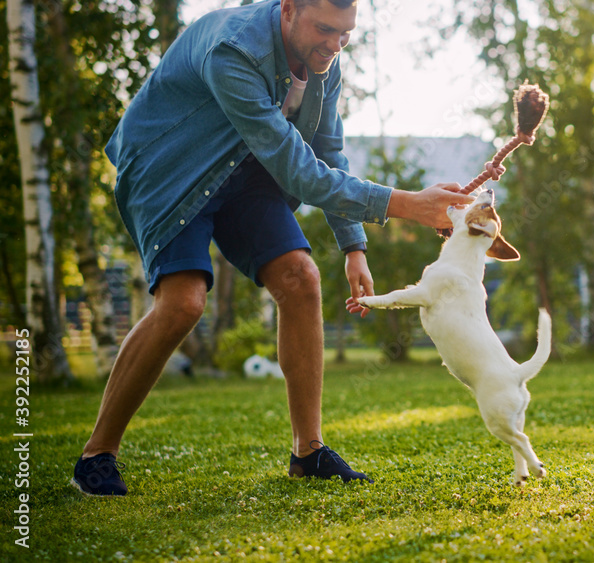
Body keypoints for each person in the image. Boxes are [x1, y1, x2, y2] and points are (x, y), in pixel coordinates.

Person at [71, 0, 474, 496]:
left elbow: (327, 151)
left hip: (246, 172)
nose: (335, 43)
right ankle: (96, 454)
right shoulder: (233, 49)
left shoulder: (327, 60)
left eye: (345, 33)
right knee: (183, 302)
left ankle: (309, 452)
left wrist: (354, 246)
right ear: (288, 10)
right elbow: (296, 168)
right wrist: (409, 204)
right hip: (169, 169)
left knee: (301, 279)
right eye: (326, 29)